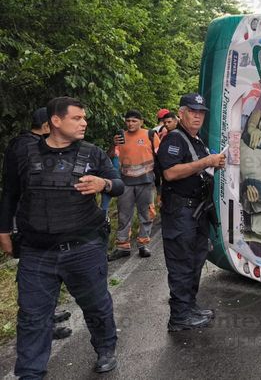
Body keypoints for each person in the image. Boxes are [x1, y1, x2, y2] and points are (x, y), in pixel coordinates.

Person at [0, 97, 123, 377]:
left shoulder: (92, 154)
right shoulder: (23, 153)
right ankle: (30, 373)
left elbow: (119, 185)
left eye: (84, 118)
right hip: (36, 251)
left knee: (96, 305)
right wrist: (4, 230)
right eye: (77, 118)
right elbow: (9, 193)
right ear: (56, 121)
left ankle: (105, 348)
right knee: (32, 317)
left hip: (84, 248)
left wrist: (103, 184)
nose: (84, 123)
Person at [0, 107, 74, 341]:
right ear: (46, 126)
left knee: (46, 273)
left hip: (38, 220)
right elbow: (13, 190)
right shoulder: (28, 147)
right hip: (32, 221)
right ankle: (44, 326)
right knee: (39, 275)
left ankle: (49, 315)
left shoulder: (21, 143)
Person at [157, 93, 225, 331]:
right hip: (180, 214)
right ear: (181, 112)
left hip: (196, 212)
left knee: (195, 261)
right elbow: (171, 173)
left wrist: (213, 163)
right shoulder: (175, 138)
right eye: (193, 111)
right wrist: (207, 162)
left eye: (201, 112)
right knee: (181, 263)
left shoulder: (196, 140)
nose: (198, 116)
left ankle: (189, 307)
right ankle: (179, 316)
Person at [108, 110, 160, 260]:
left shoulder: (150, 135)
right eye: (128, 121)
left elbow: (161, 154)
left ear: (141, 122)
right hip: (126, 183)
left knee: (146, 214)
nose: (130, 123)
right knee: (124, 215)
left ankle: (143, 245)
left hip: (146, 181)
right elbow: (111, 156)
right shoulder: (120, 137)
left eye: (134, 121)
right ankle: (122, 246)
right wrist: (114, 145)